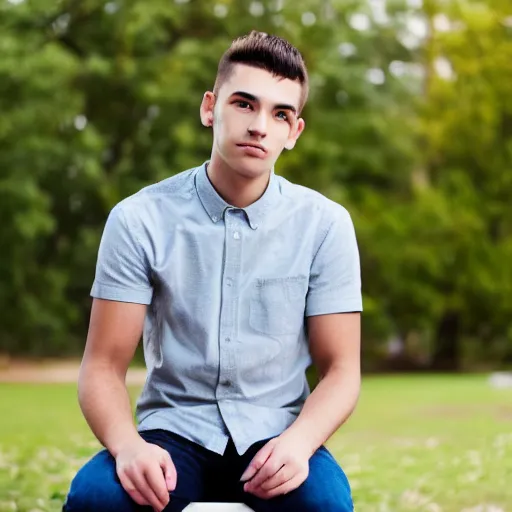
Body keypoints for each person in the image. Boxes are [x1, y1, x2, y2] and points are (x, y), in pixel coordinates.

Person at [63, 30, 363, 512]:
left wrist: (301, 442)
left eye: (280, 113)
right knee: (97, 497)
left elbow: (342, 369)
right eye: (245, 104)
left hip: (278, 436)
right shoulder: (139, 219)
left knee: (324, 503)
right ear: (210, 108)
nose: (260, 125)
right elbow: (101, 367)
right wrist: (128, 445)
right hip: (173, 436)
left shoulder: (325, 225)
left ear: (294, 132)